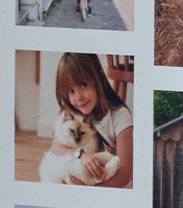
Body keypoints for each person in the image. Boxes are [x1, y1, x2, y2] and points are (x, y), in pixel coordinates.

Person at [54, 52, 133, 186]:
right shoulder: (73, 112)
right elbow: (56, 147)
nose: (78, 97)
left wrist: (88, 192)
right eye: (71, 91)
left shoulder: (120, 116)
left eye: (83, 85)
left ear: (98, 78)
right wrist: (81, 155)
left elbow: (124, 175)